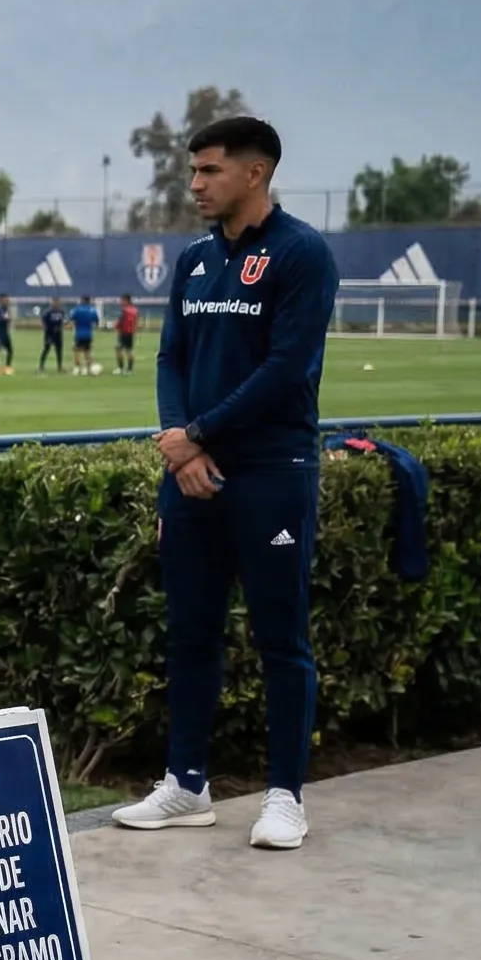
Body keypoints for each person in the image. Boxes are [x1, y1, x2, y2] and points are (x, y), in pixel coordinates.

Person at [115, 116, 339, 852]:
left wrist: (199, 435)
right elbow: (170, 358)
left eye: (209, 171)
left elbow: (287, 371)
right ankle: (187, 784)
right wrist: (182, 453)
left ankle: (285, 798)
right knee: (190, 633)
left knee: (280, 638)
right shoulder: (194, 261)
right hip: (192, 473)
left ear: (255, 173)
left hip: (272, 472)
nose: (196, 185)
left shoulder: (303, 255)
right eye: (194, 172)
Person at [70, 295, 99, 374]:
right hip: (88, 334)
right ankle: (89, 369)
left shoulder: (77, 310)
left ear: (82, 300)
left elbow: (72, 319)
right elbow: (96, 322)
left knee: (77, 351)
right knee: (88, 351)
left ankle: (77, 368)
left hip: (79, 333)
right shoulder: (93, 310)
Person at [39, 295, 67, 373]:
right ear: (52, 303)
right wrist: (47, 329)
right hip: (49, 334)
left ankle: (59, 367)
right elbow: (43, 321)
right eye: (54, 302)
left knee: (59, 351)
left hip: (58, 334)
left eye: (57, 302)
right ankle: (41, 366)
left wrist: (61, 327)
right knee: (46, 349)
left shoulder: (61, 312)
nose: (56, 304)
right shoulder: (48, 312)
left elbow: (62, 321)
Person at [115, 294, 141, 373]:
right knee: (129, 350)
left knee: (119, 349)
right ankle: (130, 369)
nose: (120, 302)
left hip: (124, 332)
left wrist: (116, 327)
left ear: (126, 300)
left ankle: (120, 368)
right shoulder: (135, 310)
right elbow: (137, 322)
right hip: (131, 332)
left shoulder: (125, 310)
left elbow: (121, 321)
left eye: (122, 300)